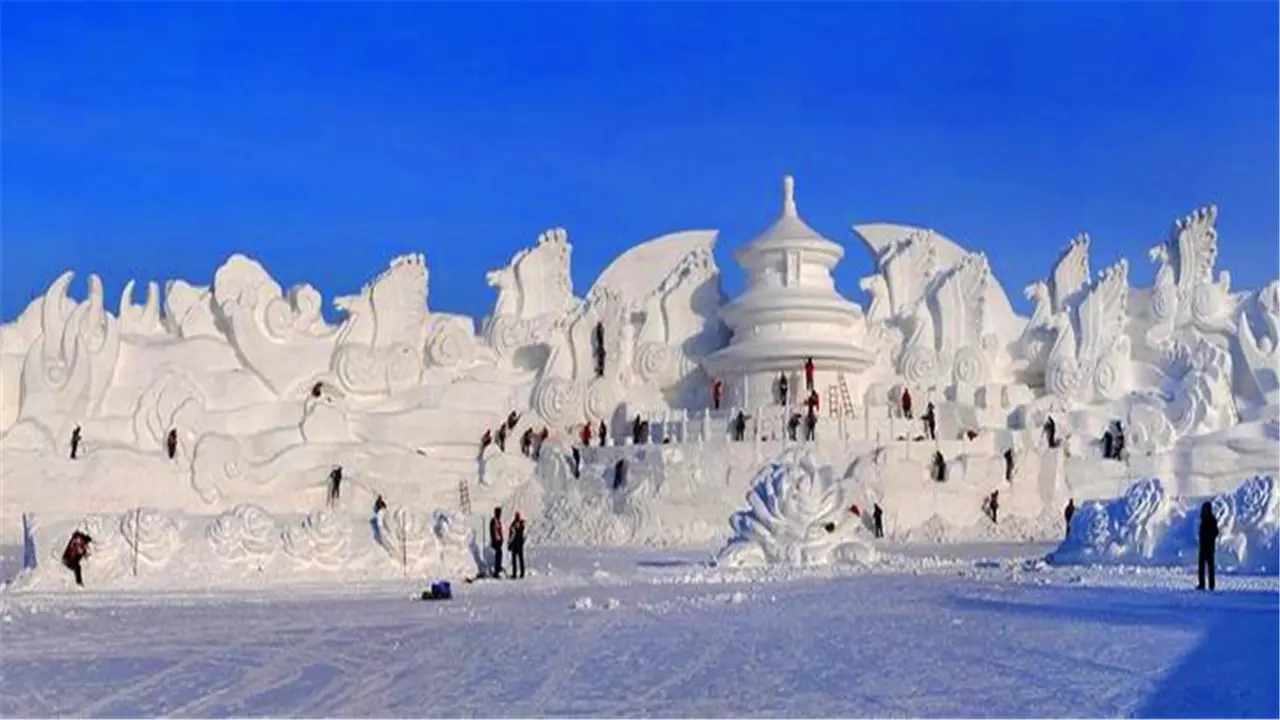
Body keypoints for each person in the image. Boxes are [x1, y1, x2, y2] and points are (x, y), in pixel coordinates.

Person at [1198, 502, 1218, 591]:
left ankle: (1211, 585)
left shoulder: (1212, 520)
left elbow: (1215, 532)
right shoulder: (1203, 520)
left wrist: (1209, 537)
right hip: (1202, 547)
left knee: (1210, 567)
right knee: (1201, 567)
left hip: (1209, 547)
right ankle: (1201, 584)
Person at [508, 511, 527, 579]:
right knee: (521, 559)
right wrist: (522, 541)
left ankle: (514, 574)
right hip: (520, 544)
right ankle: (522, 573)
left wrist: (509, 543)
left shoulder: (513, 525)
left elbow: (512, 536)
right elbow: (524, 535)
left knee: (514, 560)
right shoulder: (522, 525)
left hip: (515, 544)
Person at [489, 507, 505, 579]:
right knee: (498, 554)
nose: (499, 514)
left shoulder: (498, 521)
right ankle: (496, 571)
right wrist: (494, 540)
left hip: (499, 540)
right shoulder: (493, 521)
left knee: (500, 554)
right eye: (498, 513)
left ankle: (498, 567)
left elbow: (500, 531)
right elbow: (493, 532)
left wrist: (501, 539)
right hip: (496, 540)